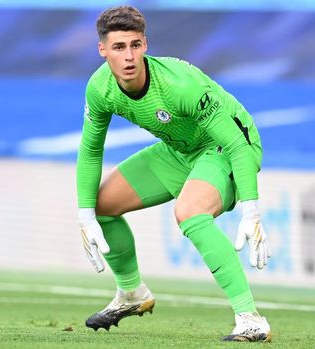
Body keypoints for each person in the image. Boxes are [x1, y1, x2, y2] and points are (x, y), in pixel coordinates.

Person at [76, 6, 271, 342]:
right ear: (102, 50)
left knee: (189, 212)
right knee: (102, 205)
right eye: (119, 47)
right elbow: (91, 149)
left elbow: (237, 144)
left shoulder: (179, 85)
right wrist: (84, 215)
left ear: (145, 45)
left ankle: (250, 319)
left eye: (135, 45)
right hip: (179, 150)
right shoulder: (100, 88)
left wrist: (251, 211)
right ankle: (132, 293)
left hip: (225, 147)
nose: (128, 56)